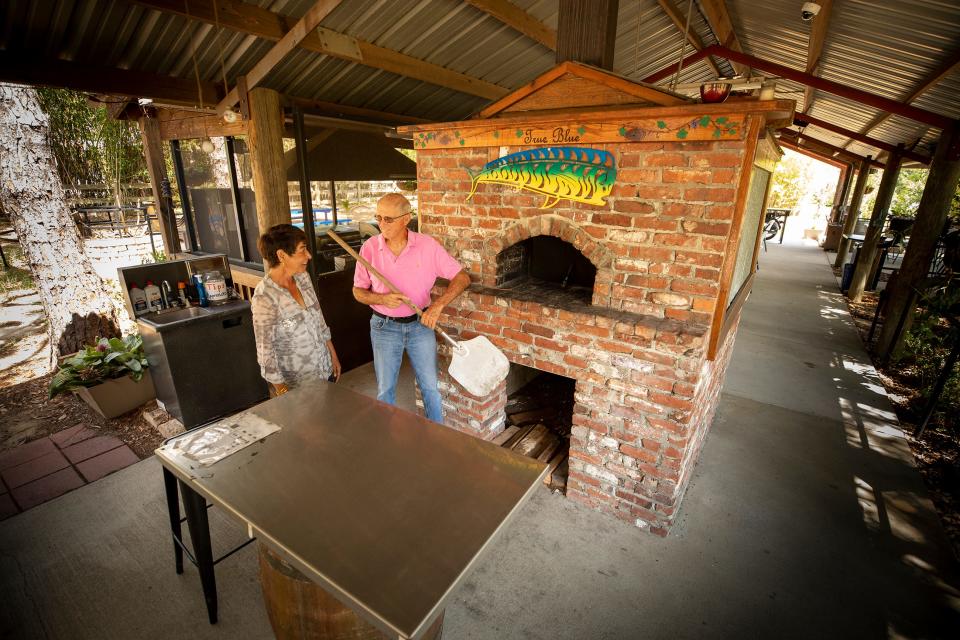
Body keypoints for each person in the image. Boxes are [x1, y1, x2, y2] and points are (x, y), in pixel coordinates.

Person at [353, 193, 470, 423]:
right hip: (384, 326)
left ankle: (435, 438)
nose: (381, 224)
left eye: (388, 219)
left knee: (430, 388)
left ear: (406, 219)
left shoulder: (426, 246)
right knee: (385, 390)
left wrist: (437, 306)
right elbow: (358, 291)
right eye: (378, 217)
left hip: (420, 325)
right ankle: (386, 442)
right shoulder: (369, 248)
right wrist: (381, 299)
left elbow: (462, 277)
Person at [251, 223, 341, 396]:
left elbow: (319, 320)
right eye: (302, 250)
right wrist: (283, 392)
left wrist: (333, 355)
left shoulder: (302, 278)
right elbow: (265, 352)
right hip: (297, 387)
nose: (308, 256)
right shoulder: (265, 297)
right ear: (281, 255)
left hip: (324, 370)